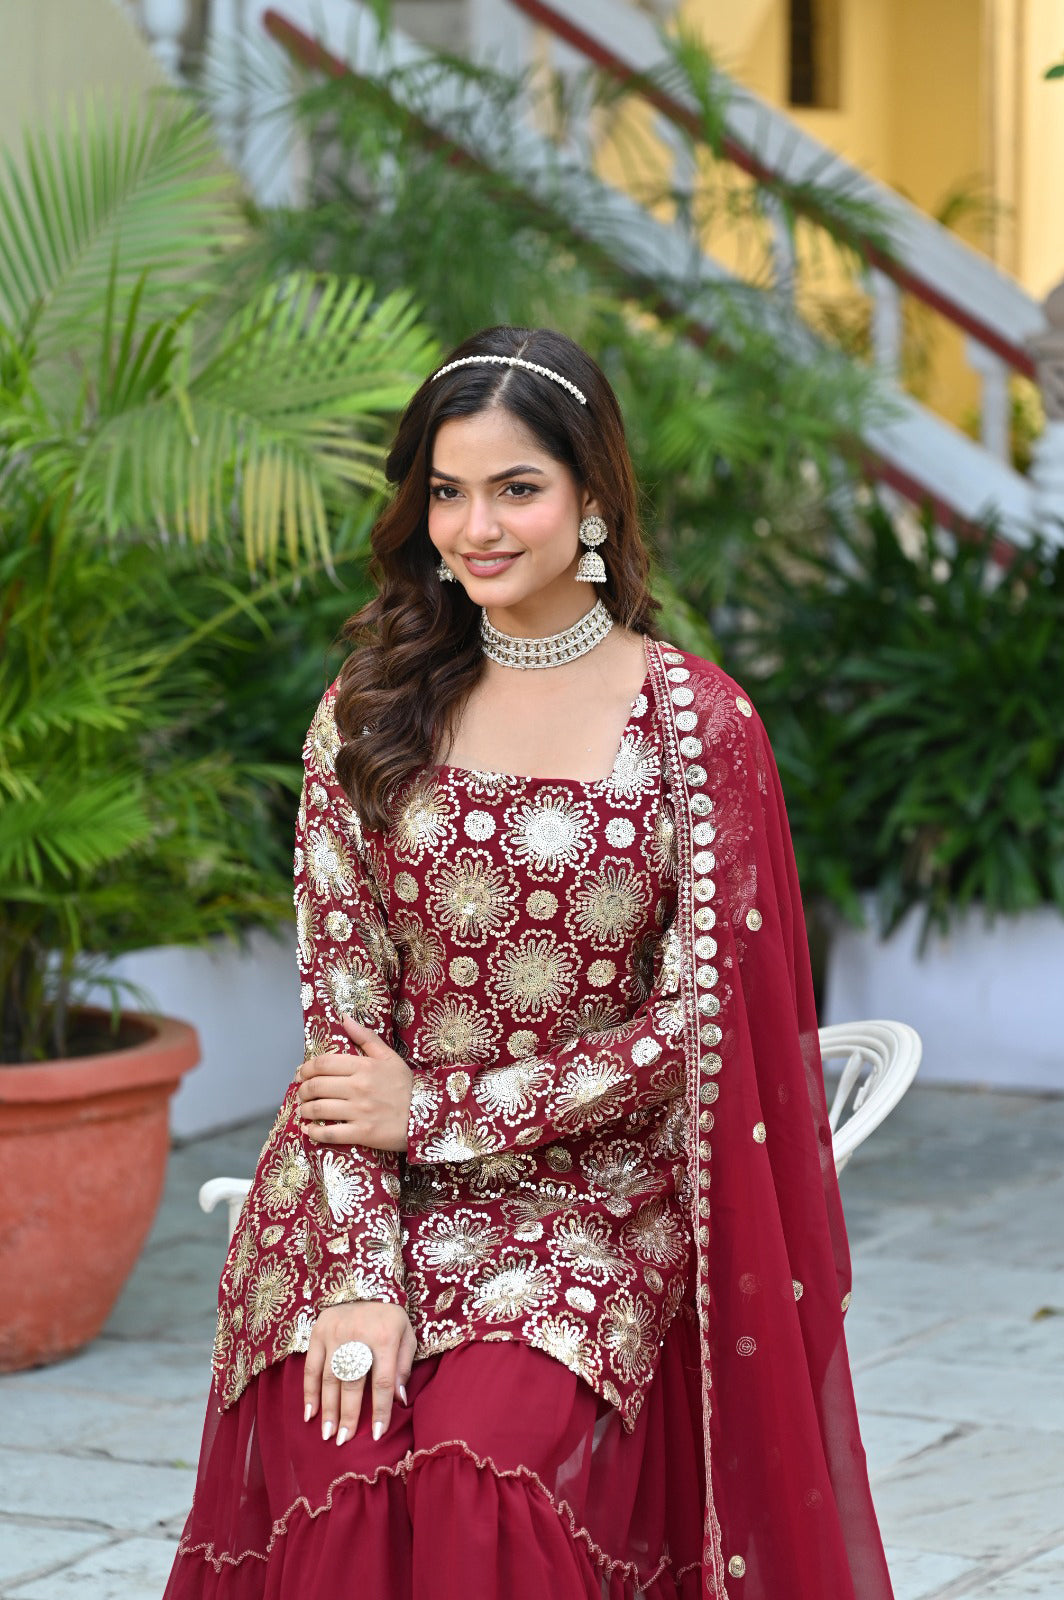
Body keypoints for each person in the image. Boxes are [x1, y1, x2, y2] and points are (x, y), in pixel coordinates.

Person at [164, 326, 896, 1600]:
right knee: (340, 1449)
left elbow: (696, 1024)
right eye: (446, 492)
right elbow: (345, 1021)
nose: (475, 528)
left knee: (480, 1470)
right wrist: (359, 1282)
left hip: (590, 1192)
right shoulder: (369, 712)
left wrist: (441, 1108)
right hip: (363, 1190)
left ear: (592, 495)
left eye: (516, 488)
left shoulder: (693, 724)